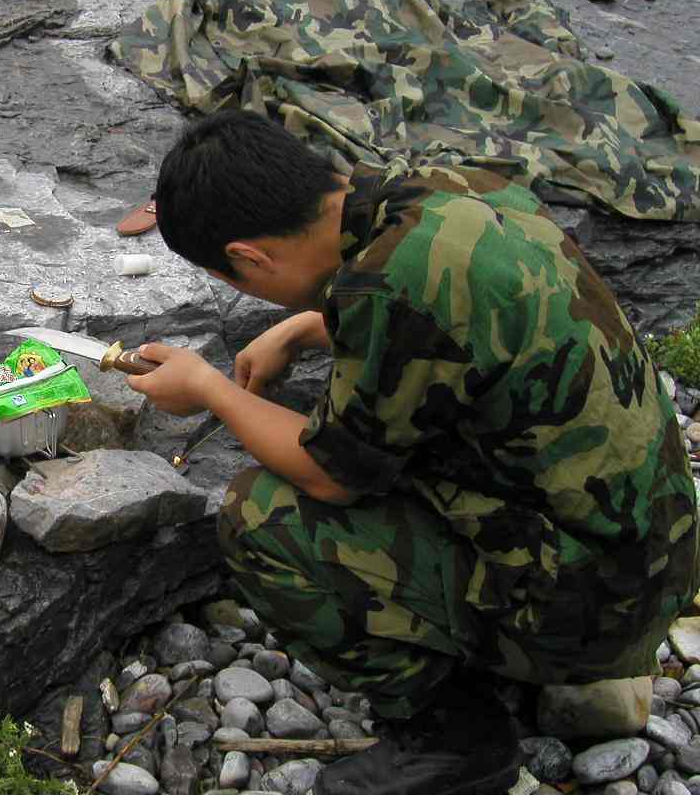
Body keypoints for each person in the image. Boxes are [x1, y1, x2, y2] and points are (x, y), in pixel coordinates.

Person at [126, 109, 700, 795]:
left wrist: (209, 388)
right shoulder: (441, 188)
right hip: (652, 554)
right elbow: (447, 313)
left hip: (596, 613)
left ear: (250, 257)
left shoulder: (387, 288)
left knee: (260, 515)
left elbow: (329, 475)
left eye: (236, 281)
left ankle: (454, 738)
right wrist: (306, 325)